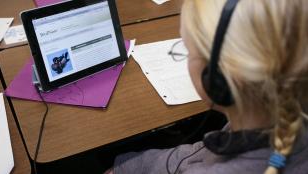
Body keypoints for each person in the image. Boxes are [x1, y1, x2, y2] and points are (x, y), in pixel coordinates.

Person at [105, 0, 308, 173]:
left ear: (218, 80)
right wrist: (127, 166)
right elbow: (200, 153)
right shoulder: (269, 117)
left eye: (188, 49)